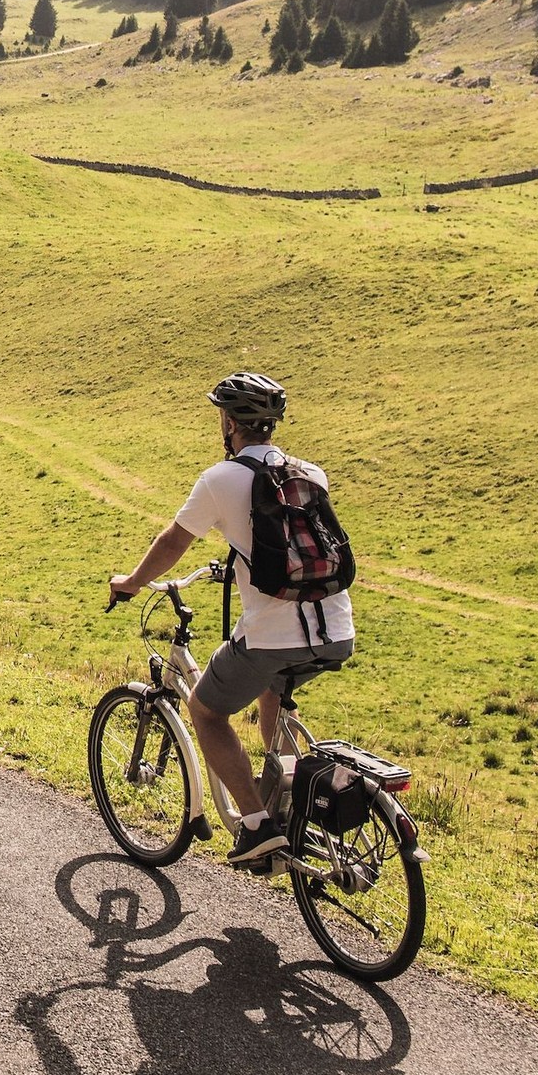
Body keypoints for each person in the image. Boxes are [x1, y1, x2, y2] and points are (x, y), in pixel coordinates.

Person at [107, 372, 355, 869]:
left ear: (228, 422)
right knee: (273, 694)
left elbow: (174, 541)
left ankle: (257, 826)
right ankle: (287, 801)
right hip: (336, 628)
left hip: (273, 634)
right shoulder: (311, 472)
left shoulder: (221, 479)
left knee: (205, 710)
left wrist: (133, 582)